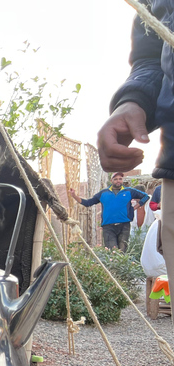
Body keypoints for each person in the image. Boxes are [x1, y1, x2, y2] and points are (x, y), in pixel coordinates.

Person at [96, 1, 174, 326]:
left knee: (124, 246)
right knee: (115, 249)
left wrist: (144, 204)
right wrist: (134, 98)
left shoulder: (131, 193)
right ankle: (116, 270)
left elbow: (143, 200)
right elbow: (152, 53)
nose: (117, 181)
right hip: (112, 224)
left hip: (126, 225)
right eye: (115, 179)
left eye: (118, 179)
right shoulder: (107, 195)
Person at [68, 172, 149, 252]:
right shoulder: (103, 193)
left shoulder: (129, 191)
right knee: (112, 251)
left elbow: (145, 196)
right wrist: (74, 196)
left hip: (124, 226)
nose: (118, 181)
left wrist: (135, 207)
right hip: (108, 227)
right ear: (111, 180)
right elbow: (88, 203)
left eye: (120, 179)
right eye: (116, 179)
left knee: (122, 251)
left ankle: (119, 265)